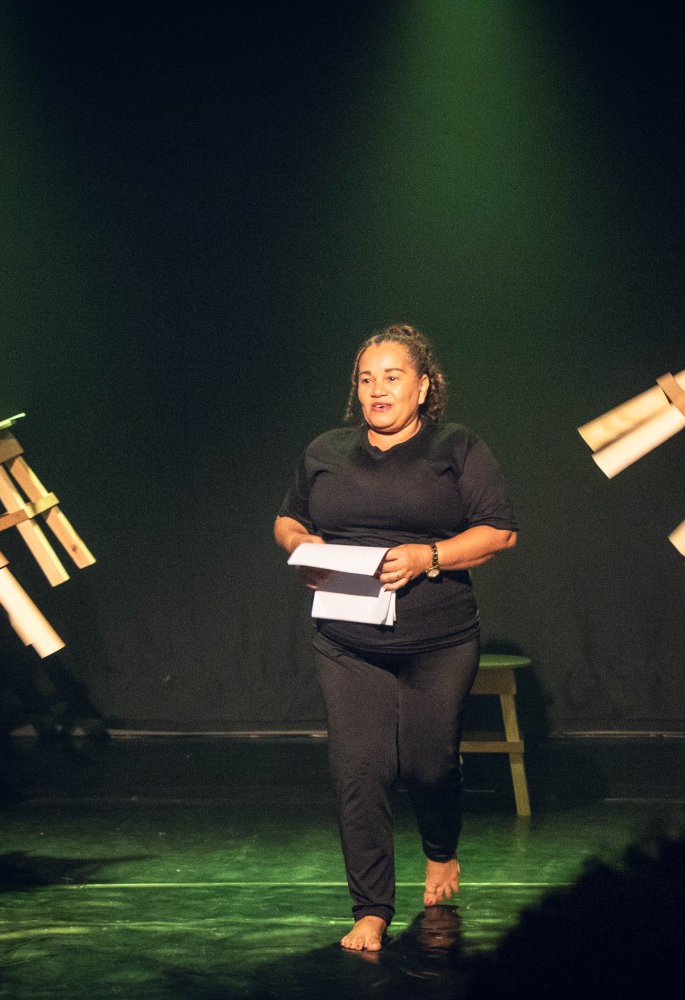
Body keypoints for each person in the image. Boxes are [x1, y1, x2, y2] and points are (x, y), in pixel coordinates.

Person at [274, 325, 517, 952]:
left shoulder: (457, 446)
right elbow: (289, 518)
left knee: (429, 765)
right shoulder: (326, 450)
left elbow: (498, 532)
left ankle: (440, 850)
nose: (377, 390)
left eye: (392, 376)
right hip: (347, 641)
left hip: (438, 640)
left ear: (424, 386)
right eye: (366, 379)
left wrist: (427, 556)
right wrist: (302, 545)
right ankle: (371, 910)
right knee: (360, 772)